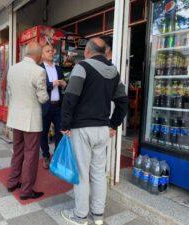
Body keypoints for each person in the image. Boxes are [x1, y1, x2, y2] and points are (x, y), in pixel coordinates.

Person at [60, 38, 128, 225]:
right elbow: (123, 101)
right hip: (102, 130)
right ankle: (98, 215)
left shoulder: (82, 66)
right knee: (98, 173)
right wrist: (114, 124)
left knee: (82, 173)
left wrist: (64, 125)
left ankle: (80, 216)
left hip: (82, 129)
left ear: (88, 51)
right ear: (103, 52)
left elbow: (70, 97)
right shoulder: (113, 71)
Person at [6, 42, 49, 200]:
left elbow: (10, 92)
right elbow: (43, 98)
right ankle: (26, 190)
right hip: (31, 120)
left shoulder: (13, 68)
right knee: (31, 154)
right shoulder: (39, 71)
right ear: (38, 56)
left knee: (17, 151)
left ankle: (12, 182)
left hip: (15, 117)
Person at [40, 44, 66, 169]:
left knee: (60, 132)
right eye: (48, 51)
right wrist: (53, 83)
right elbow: (39, 87)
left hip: (58, 106)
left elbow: (64, 83)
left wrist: (63, 83)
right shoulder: (39, 69)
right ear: (43, 54)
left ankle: (56, 156)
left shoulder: (59, 68)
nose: (51, 53)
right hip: (45, 105)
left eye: (52, 51)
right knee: (43, 133)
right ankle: (45, 155)